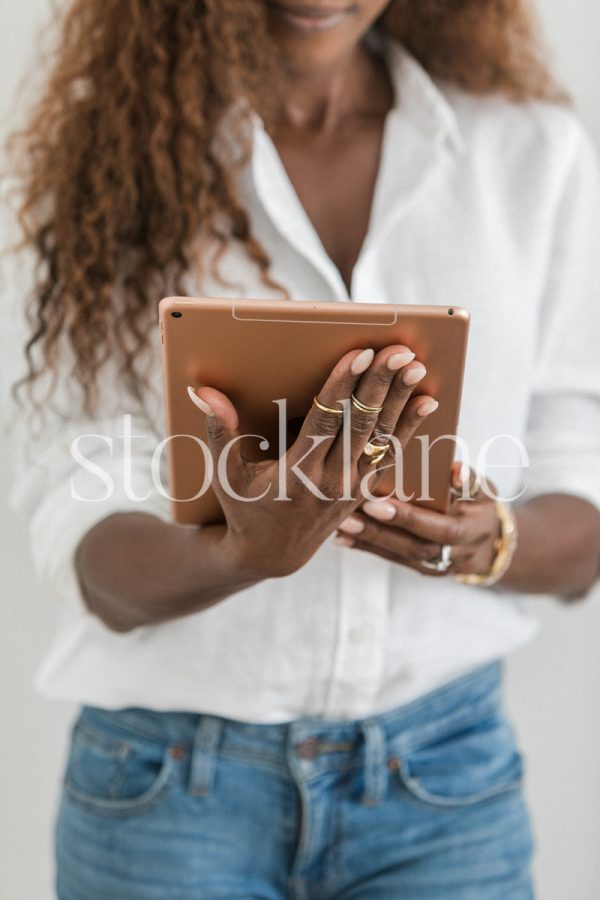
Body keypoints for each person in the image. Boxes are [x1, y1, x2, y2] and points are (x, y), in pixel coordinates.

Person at [2, 1, 600, 897]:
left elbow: (581, 482)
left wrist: (492, 540)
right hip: (167, 792)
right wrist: (239, 555)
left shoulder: (530, 154)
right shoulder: (101, 155)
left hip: (445, 785)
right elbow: (76, 516)